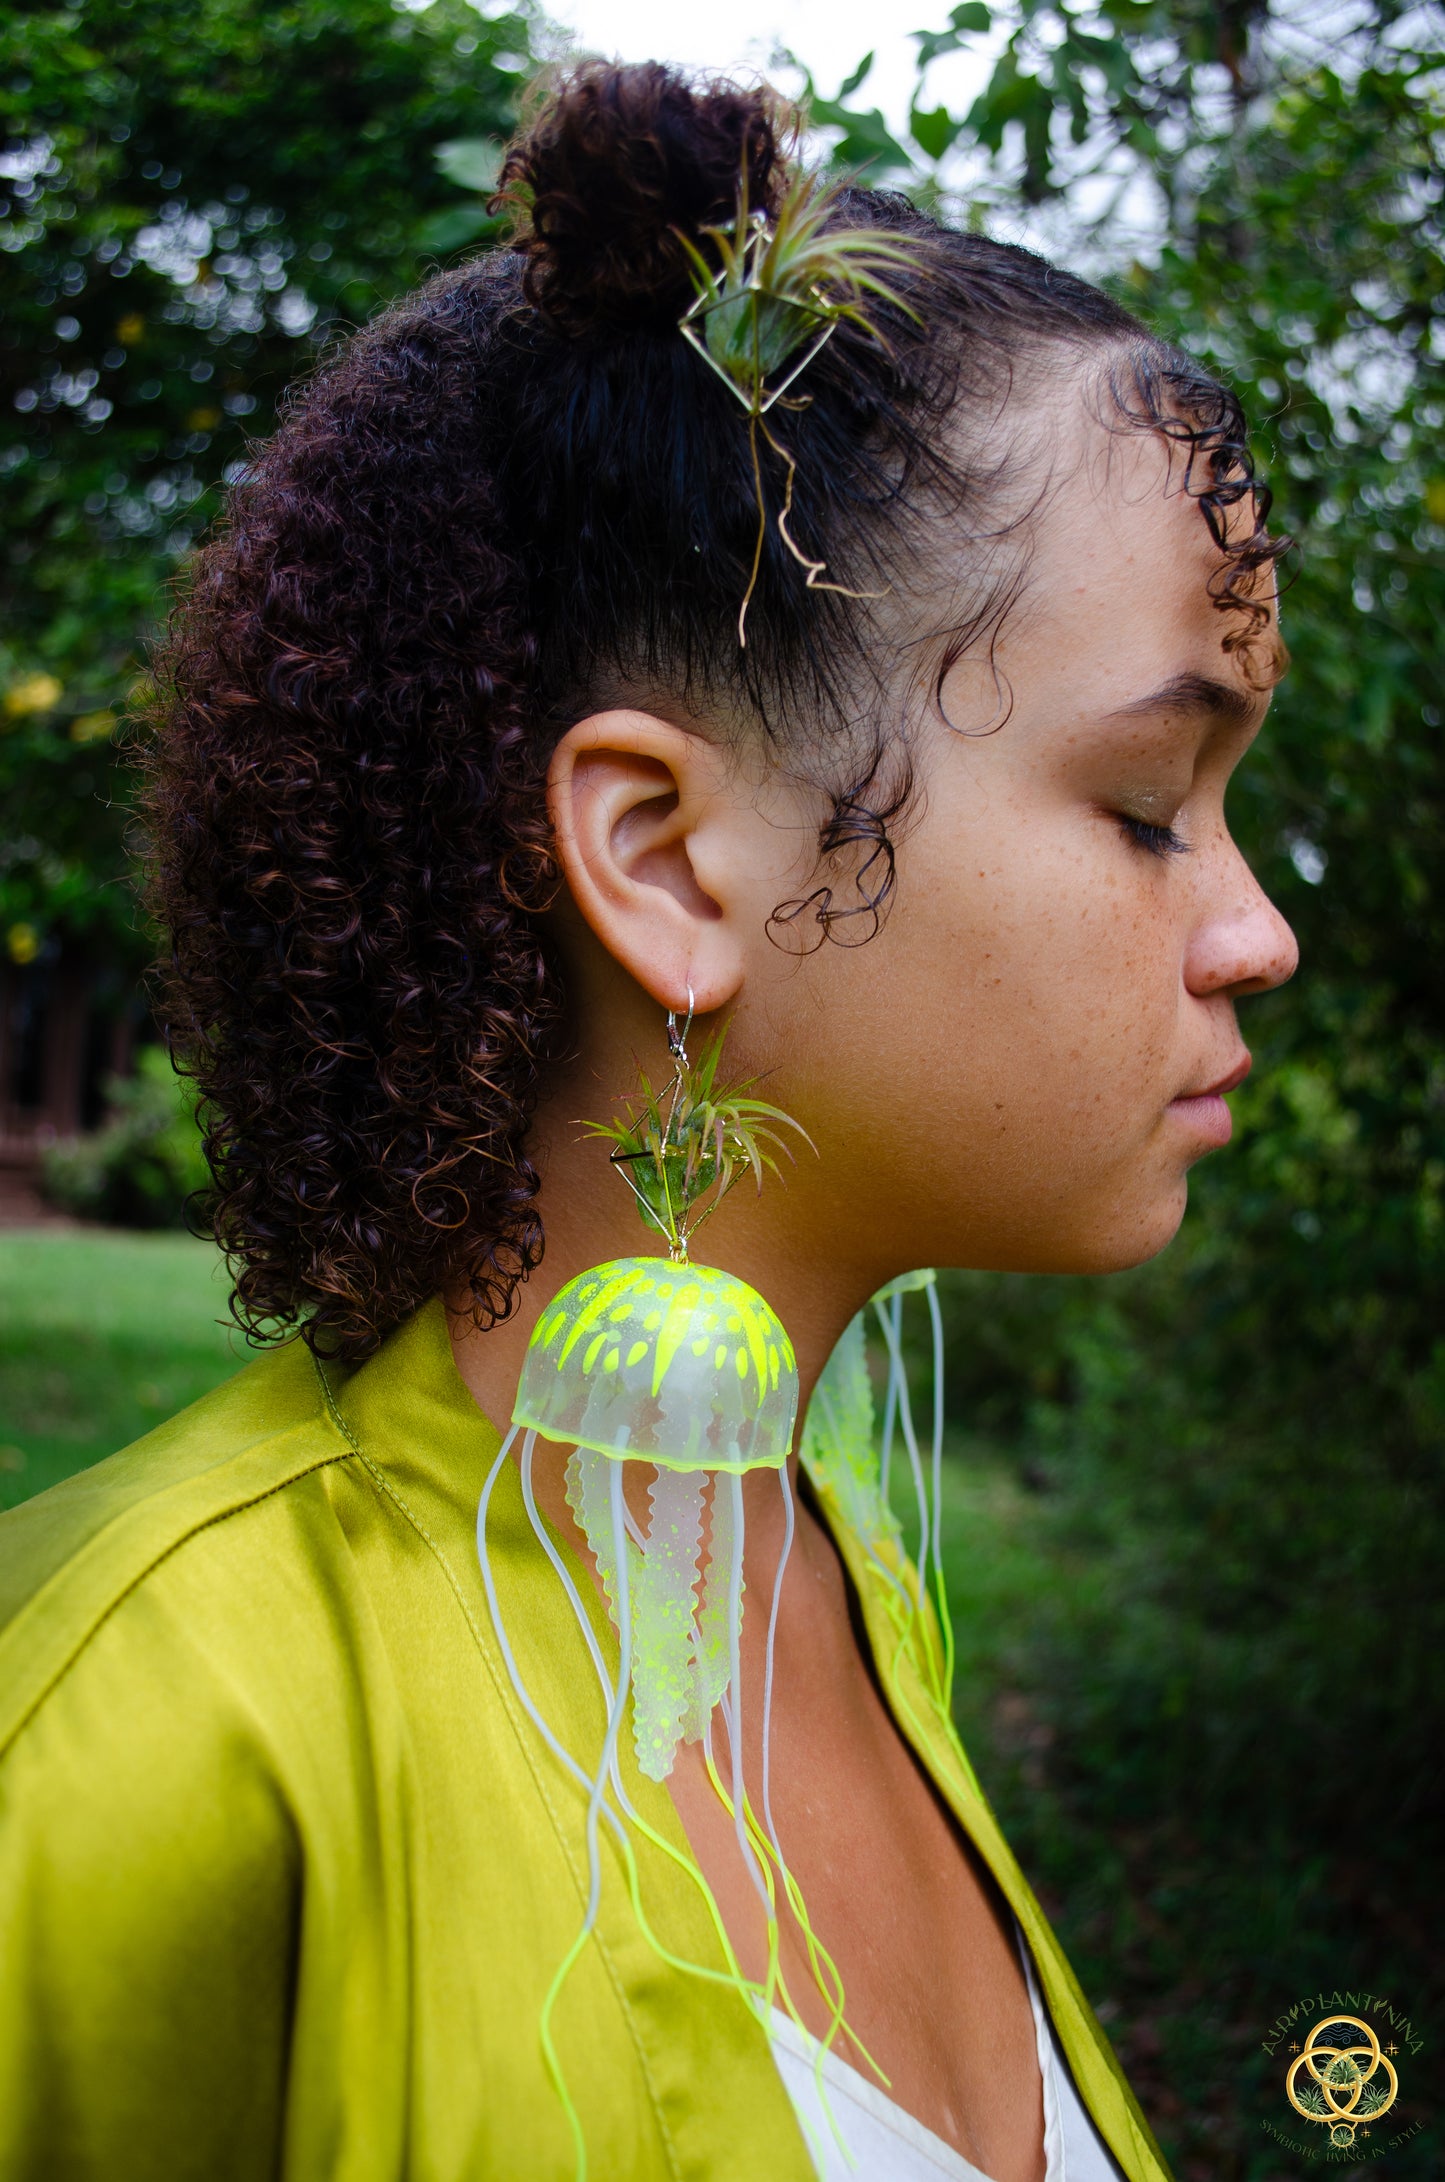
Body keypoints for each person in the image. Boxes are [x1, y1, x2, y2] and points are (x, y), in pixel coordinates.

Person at [0, 59, 1297, 2182]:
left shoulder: (832, 1565)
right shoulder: (128, 1737)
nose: (1255, 932)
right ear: (672, 860)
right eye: (1153, 804)